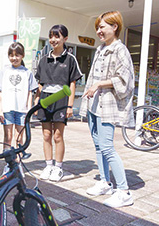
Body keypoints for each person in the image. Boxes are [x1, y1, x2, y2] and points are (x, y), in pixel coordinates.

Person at [79, 11, 134, 208]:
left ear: (115, 27)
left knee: (108, 147)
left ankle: (124, 191)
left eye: (102, 27)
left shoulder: (121, 50)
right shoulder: (101, 49)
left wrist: (99, 84)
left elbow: (125, 82)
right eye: (98, 27)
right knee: (98, 145)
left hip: (107, 106)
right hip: (95, 105)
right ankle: (105, 182)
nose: (98, 31)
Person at [34, 24, 82, 182]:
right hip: (45, 98)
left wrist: (70, 105)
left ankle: (58, 167)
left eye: (57, 36)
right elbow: (40, 83)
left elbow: (72, 83)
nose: (53, 40)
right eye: (51, 36)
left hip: (61, 98)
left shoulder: (70, 59)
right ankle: (48, 165)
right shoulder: (43, 59)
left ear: (65, 39)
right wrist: (36, 101)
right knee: (46, 134)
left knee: (58, 135)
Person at [0, 42, 38, 153]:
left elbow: (29, 93)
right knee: (8, 137)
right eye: (11, 55)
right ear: (8, 56)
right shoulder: (4, 71)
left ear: (22, 55)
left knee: (19, 138)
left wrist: (29, 110)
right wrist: (0, 110)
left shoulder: (28, 73)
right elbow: (0, 93)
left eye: (17, 55)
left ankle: (18, 162)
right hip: (7, 109)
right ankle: (8, 161)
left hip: (22, 110)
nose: (14, 58)